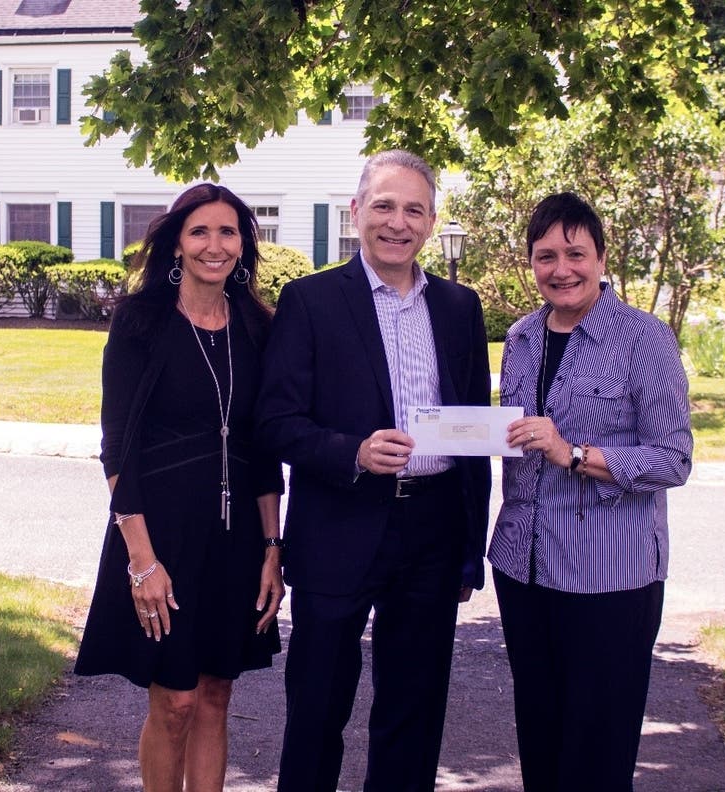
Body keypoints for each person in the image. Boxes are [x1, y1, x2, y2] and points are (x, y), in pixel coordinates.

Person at [256, 150, 492, 792]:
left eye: (414, 209)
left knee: (413, 711)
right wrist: (352, 452)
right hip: (340, 525)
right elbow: (275, 422)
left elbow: (474, 431)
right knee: (317, 706)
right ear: (356, 212)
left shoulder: (458, 307)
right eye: (384, 205)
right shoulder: (309, 301)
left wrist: (471, 547)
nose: (397, 222)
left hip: (433, 530)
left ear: (432, 222)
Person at [74, 183, 285, 792]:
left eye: (227, 232)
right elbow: (117, 447)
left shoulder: (258, 326)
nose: (214, 245)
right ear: (176, 243)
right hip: (161, 536)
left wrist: (274, 547)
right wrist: (142, 560)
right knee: (175, 702)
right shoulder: (141, 322)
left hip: (238, 539)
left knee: (217, 694)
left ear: (244, 243)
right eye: (200, 232)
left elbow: (264, 446)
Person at [490, 192, 693, 791]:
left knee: (597, 751)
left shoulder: (644, 340)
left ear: (601, 259)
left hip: (609, 576)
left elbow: (673, 459)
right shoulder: (522, 337)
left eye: (575, 253)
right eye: (545, 256)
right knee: (542, 737)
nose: (561, 269)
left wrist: (575, 453)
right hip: (524, 567)